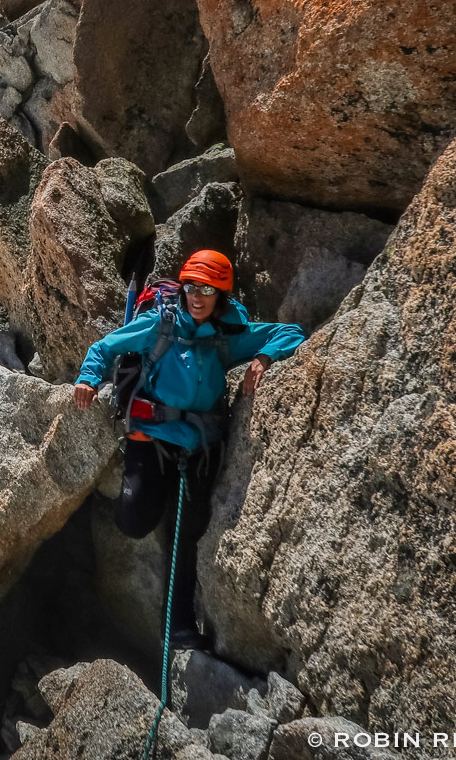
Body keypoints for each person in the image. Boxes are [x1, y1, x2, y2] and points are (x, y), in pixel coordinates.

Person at [73, 249, 306, 651]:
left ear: (221, 296)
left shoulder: (227, 334)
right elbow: (104, 348)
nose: (197, 296)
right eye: (191, 287)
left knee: (188, 534)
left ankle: (178, 627)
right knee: (133, 521)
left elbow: (291, 332)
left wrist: (263, 359)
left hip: (198, 447)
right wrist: (88, 379)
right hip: (151, 438)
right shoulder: (158, 326)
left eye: (207, 289)